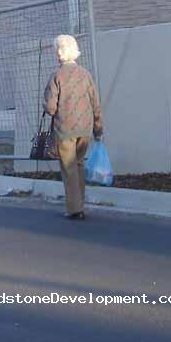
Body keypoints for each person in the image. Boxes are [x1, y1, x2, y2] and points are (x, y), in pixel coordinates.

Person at [43, 34, 103, 220]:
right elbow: (95, 103)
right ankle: (80, 203)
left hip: (65, 129)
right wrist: (98, 129)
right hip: (85, 129)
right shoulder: (86, 75)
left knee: (68, 168)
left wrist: (46, 106)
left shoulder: (57, 76)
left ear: (60, 53)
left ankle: (74, 209)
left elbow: (51, 108)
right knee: (78, 164)